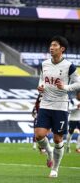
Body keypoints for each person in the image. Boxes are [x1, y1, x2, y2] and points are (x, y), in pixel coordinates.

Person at [35, 36, 80, 178]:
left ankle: (55, 168)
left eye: (54, 45)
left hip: (60, 107)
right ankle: (49, 152)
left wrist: (65, 87)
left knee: (57, 139)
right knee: (39, 135)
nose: (51, 47)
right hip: (45, 103)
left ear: (62, 49)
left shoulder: (69, 66)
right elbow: (42, 78)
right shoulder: (44, 64)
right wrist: (40, 86)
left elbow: (78, 83)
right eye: (50, 45)